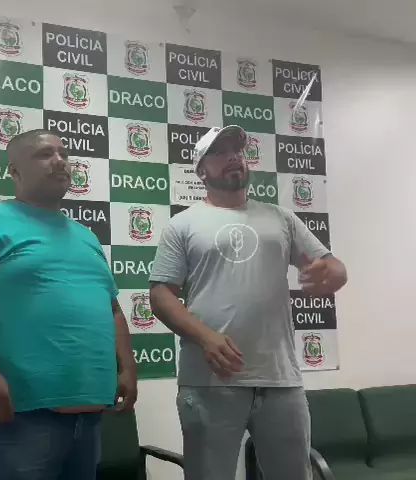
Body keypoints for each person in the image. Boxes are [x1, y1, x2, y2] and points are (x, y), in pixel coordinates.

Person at [0, 129, 137, 480]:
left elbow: (111, 308)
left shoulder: (86, 236)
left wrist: (126, 366)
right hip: (12, 416)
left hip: (88, 416)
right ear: (14, 170)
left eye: (64, 154)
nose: (59, 161)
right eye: (44, 154)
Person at [148, 125, 348, 480]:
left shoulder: (281, 218)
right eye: (220, 152)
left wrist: (331, 274)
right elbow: (161, 295)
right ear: (201, 170)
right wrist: (205, 337)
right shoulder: (182, 224)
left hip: (281, 380)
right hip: (210, 381)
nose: (233, 158)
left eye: (237, 151)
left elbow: (334, 267)